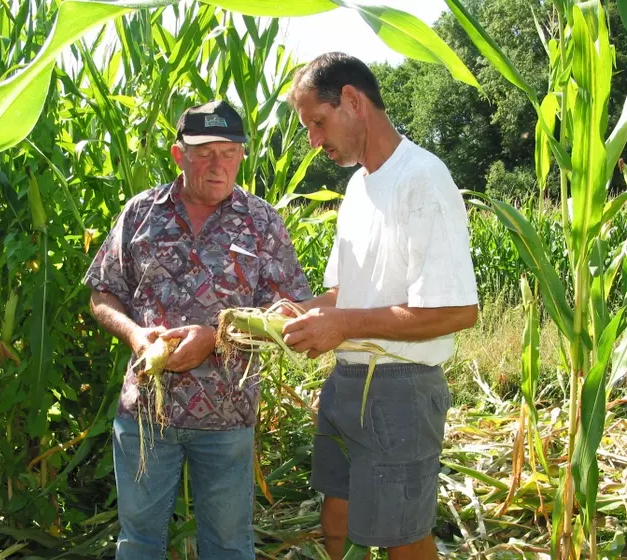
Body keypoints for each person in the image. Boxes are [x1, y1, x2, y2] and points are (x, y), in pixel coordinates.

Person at [83, 100, 312, 559]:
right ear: (178, 154)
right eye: (204, 152)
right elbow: (101, 293)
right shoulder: (141, 213)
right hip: (146, 414)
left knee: (228, 545)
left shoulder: (262, 222)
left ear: (242, 156)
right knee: (139, 542)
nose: (217, 164)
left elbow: (295, 311)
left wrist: (216, 337)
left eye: (229, 152)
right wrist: (134, 335)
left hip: (227, 419)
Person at [282, 53, 479, 560]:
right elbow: (342, 293)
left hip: (400, 390)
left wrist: (342, 323)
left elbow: (457, 311)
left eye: (317, 123)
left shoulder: (422, 179)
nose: (314, 140)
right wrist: (300, 313)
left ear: (352, 100)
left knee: (403, 536)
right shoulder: (357, 188)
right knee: (337, 513)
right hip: (347, 382)